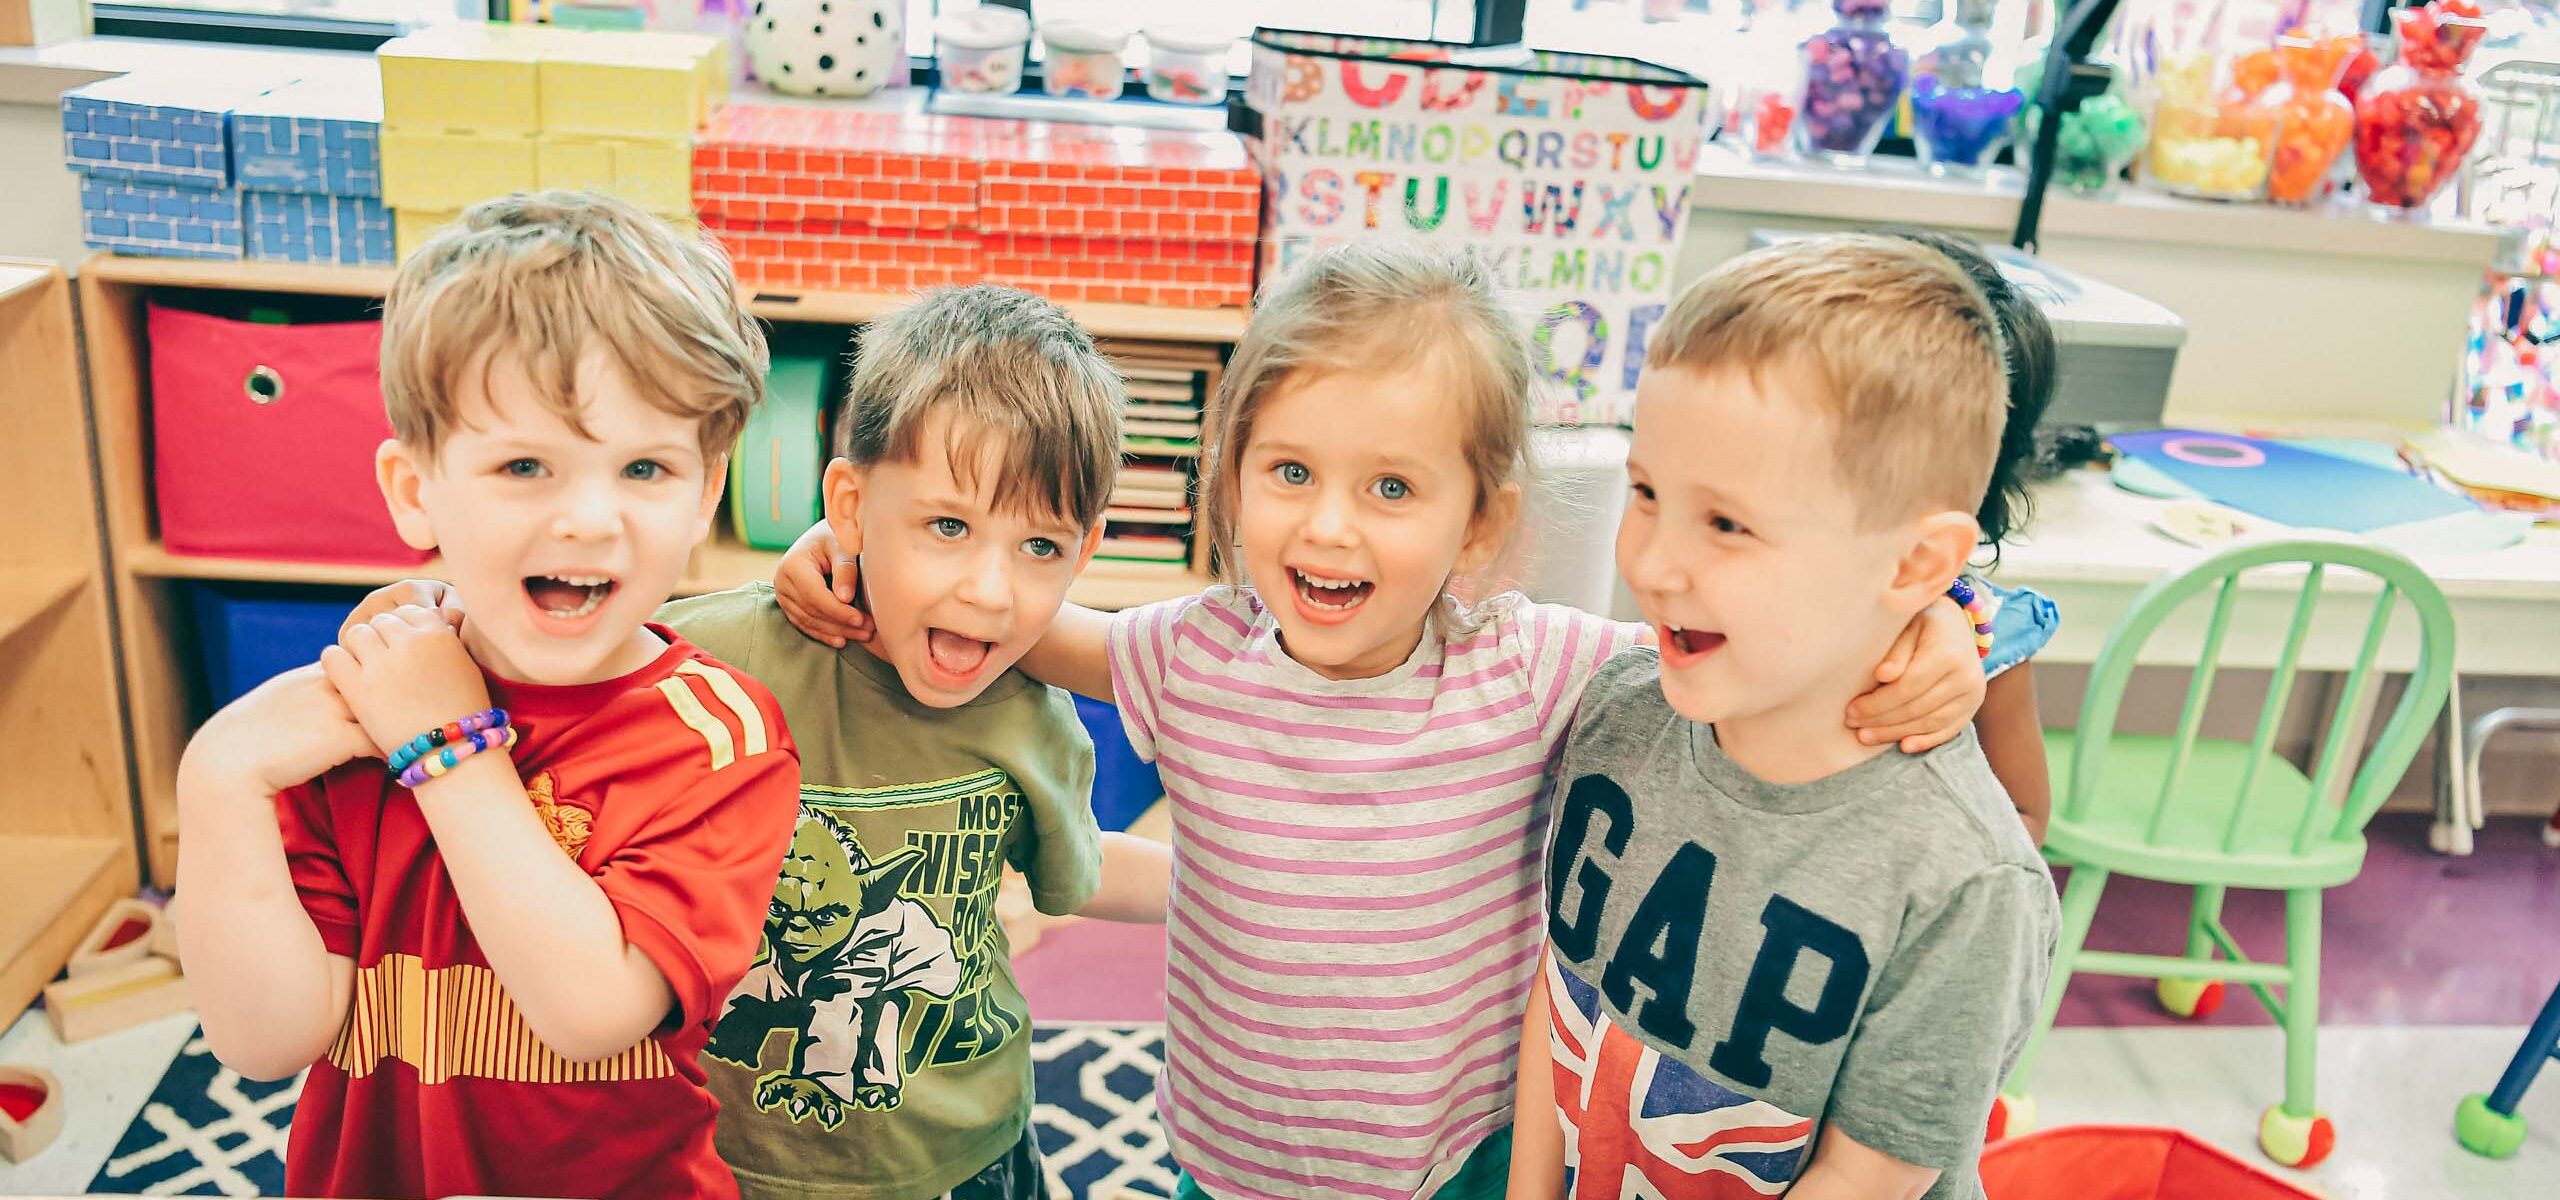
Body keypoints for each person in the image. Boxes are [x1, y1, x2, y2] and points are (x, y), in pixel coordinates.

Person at [772, 239, 1996, 1200]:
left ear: (1476, 525)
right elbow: (998, 613)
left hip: (1452, 1162)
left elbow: (1753, 645)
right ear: (1232, 477)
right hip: (1224, 1158)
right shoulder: (1190, 656)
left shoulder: (1531, 671)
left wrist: (1946, 622)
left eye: (1392, 488)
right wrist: (849, 549)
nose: (1329, 527)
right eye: (1289, 472)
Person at [344, 283, 1163, 1200]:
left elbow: (1077, 870)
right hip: (722, 1160)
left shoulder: (1034, 719)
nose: (988, 590)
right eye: (946, 526)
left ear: (1086, 550)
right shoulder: (707, 662)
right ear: (848, 509)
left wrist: (1256, 887)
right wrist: (410, 610)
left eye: (1040, 548)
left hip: (964, 1157)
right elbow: (490, 638)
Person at [176, 191, 803, 1200]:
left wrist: (447, 749)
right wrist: (217, 779)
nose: (591, 519)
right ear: (414, 491)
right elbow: (265, 1038)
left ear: (704, 495)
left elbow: (592, 1009)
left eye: (644, 466)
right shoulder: (350, 711)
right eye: (525, 465)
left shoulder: (714, 738)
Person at [1509, 233, 2062, 1200]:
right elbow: (1558, 1004)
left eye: (1726, 523)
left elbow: (1871, 1174)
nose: (1654, 565)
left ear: (1917, 568)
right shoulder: (1615, 713)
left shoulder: (1965, 881)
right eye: (1646, 493)